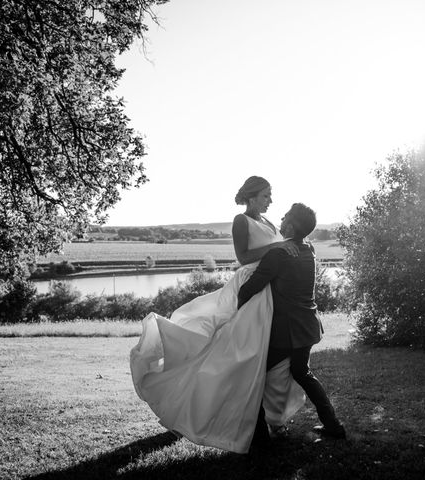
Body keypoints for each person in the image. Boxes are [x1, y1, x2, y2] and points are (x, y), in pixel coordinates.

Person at [129, 176, 305, 454]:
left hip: (272, 289)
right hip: (252, 287)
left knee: (270, 355)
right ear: (251, 196)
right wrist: (277, 247)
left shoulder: (270, 223)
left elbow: (281, 252)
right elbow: (244, 257)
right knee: (241, 352)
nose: (270, 200)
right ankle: (215, 411)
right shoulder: (241, 220)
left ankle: (270, 418)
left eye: (270, 196)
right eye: (265, 195)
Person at [238, 203, 346, 446]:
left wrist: (233, 305)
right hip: (308, 325)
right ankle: (334, 426)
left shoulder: (279, 254)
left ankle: (260, 439)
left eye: (285, 215)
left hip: (286, 330)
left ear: (290, 225)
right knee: (303, 373)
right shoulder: (309, 249)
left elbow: (250, 288)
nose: (281, 217)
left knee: (253, 376)